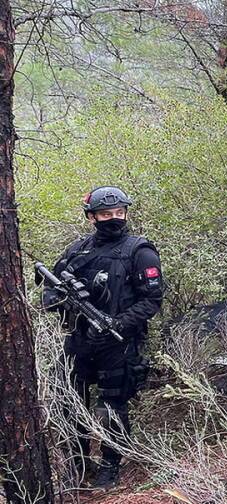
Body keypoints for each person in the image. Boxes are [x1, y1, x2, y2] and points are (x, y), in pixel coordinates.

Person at [42, 186, 163, 489]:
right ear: (91, 217)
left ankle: (110, 467)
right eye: (106, 214)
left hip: (117, 343)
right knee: (69, 404)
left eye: (118, 213)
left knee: (112, 407)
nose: (113, 219)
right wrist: (59, 301)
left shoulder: (140, 251)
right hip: (79, 340)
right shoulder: (77, 250)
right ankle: (78, 465)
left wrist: (118, 323)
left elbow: (152, 301)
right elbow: (50, 289)